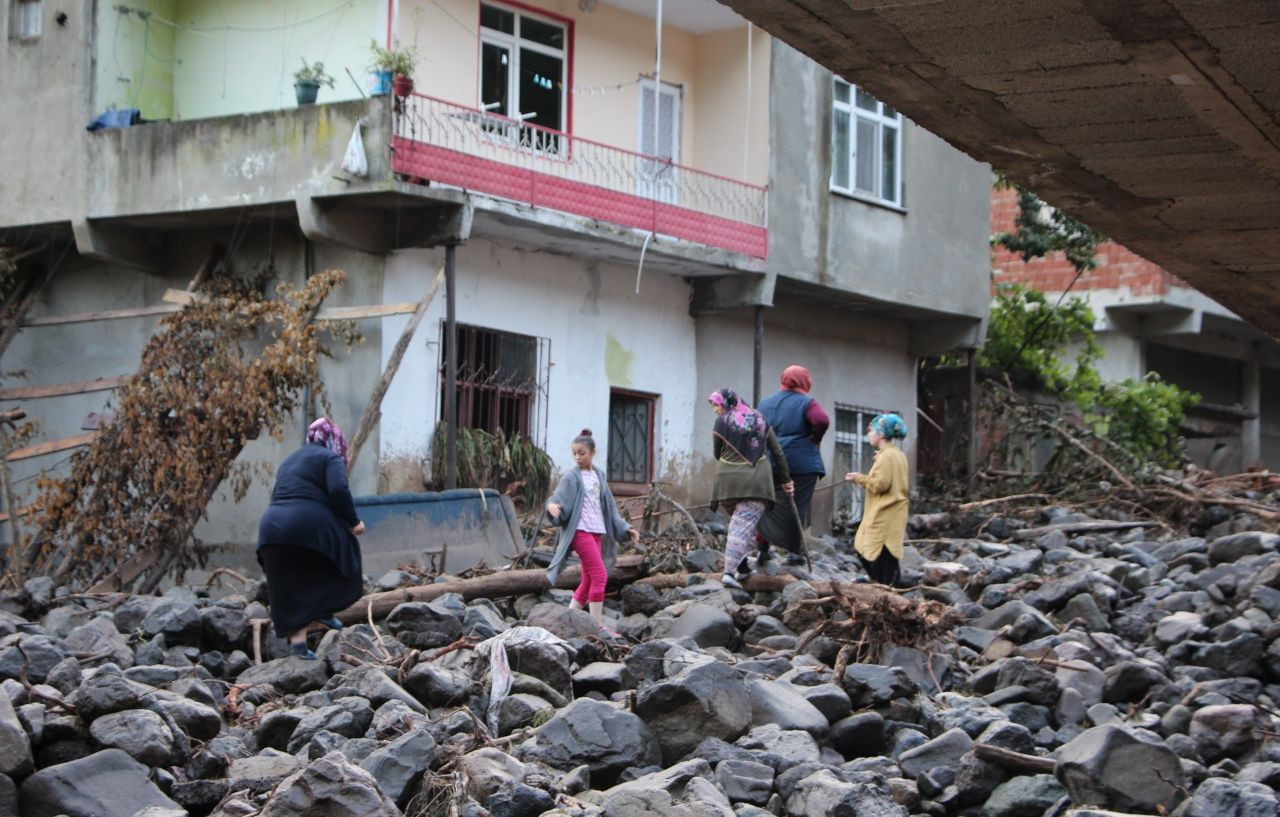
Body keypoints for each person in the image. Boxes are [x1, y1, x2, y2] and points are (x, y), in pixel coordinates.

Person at [257, 418, 366, 659]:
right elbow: (338, 489)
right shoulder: (330, 458)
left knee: (291, 581)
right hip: (309, 524)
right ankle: (325, 608)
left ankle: (298, 645)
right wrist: (353, 521)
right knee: (345, 550)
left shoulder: (289, 461)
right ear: (334, 440)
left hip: (270, 529)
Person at [545, 428, 640, 638]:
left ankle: (567, 620)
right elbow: (555, 497)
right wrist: (551, 506)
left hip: (597, 531)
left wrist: (625, 528)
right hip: (580, 531)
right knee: (599, 575)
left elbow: (609, 507)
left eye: (582, 453)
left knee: (588, 580)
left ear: (592, 452)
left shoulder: (599, 475)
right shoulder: (571, 477)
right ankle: (597, 628)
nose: (578, 458)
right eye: (575, 454)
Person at [708, 388, 793, 589]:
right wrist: (786, 480)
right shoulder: (761, 420)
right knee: (742, 527)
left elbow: (716, 453)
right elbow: (778, 453)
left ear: (727, 403)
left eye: (716, 405)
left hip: (726, 484)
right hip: (756, 484)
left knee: (740, 524)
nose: (715, 410)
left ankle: (743, 567)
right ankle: (729, 572)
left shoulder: (722, 422)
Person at [757, 365, 830, 566]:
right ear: (805, 382)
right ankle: (794, 552)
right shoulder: (807, 403)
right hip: (803, 464)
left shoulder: (765, 404)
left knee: (767, 505)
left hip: (770, 463)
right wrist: (816, 436)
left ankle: (762, 549)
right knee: (797, 506)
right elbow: (822, 420)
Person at [845, 413, 909, 586]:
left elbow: (880, 484)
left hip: (885, 514)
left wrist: (859, 478)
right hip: (890, 513)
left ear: (881, 434)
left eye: (871, 431)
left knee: (882, 554)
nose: (868, 434)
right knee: (866, 547)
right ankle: (879, 582)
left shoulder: (887, 456)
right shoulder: (895, 454)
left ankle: (889, 591)